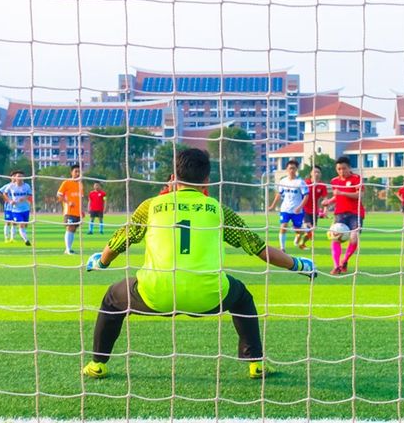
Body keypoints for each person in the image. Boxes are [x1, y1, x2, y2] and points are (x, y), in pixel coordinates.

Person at [81, 148, 316, 380]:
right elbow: (260, 250)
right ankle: (255, 364)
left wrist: (101, 262)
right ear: (207, 181)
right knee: (242, 297)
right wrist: (298, 264)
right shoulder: (218, 210)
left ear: (173, 177)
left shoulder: (150, 206)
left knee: (112, 298)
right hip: (209, 298)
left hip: (155, 295)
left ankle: (97, 364)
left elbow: (119, 242)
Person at [321, 156, 365, 275]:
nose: (341, 171)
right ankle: (336, 266)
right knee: (335, 238)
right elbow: (337, 196)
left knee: (354, 237)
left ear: (349, 168)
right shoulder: (335, 180)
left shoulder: (357, 178)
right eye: (339, 169)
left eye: (344, 168)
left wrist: (342, 192)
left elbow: (360, 195)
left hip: (356, 213)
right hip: (339, 213)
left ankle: (344, 261)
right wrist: (329, 201)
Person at [267, 160, 309, 252]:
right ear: (287, 169)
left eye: (293, 168)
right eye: (290, 168)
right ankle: (282, 248)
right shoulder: (283, 181)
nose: (291, 170)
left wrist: (300, 207)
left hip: (297, 210)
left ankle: (298, 236)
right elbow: (279, 194)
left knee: (298, 230)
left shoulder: (300, 182)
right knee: (283, 226)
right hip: (285, 209)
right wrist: (272, 206)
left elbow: (306, 196)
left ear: (296, 169)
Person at [0, 170, 33, 246]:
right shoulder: (11, 186)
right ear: (15, 177)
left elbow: (29, 194)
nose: (20, 178)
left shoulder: (27, 186)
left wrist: (24, 198)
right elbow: (4, 193)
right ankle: (26, 240)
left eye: (21, 176)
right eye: (18, 176)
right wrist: (9, 200)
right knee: (20, 224)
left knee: (24, 225)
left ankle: (19, 237)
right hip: (15, 210)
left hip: (25, 209)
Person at [299, 165, 328, 250]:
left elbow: (325, 198)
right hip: (304, 210)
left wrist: (325, 210)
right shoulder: (305, 183)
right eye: (314, 172)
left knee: (312, 230)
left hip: (314, 211)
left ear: (320, 174)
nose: (316, 174)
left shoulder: (322, 186)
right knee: (308, 227)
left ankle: (301, 242)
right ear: (311, 173)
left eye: (318, 172)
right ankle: (300, 239)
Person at [57, 164, 83, 254]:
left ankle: (68, 249)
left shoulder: (80, 185)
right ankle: (68, 249)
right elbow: (59, 195)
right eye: (76, 171)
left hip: (77, 212)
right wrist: (68, 202)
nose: (78, 173)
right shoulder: (66, 182)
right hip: (69, 211)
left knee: (73, 230)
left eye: (79, 171)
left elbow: (80, 199)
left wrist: (82, 210)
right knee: (70, 227)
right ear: (71, 172)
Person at [0, 177, 16, 243]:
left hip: (16, 207)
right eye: (14, 177)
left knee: (14, 223)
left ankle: (12, 238)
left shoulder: (18, 187)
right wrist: (6, 199)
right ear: (11, 178)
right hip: (8, 207)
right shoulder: (7, 186)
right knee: (7, 222)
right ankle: (6, 238)